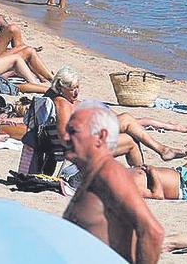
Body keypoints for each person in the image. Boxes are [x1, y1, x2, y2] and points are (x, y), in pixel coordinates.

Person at [61, 101, 165, 264]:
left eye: (73, 131)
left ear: (100, 137)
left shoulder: (110, 173)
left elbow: (153, 232)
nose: (66, 137)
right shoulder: (94, 173)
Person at [50, 67, 187, 166]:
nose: (76, 92)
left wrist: (170, 126)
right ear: (61, 87)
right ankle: (162, 150)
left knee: (131, 139)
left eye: (77, 87)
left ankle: (140, 174)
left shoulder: (76, 103)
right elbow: (64, 138)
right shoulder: (62, 103)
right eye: (72, 89)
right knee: (127, 119)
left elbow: (135, 123)